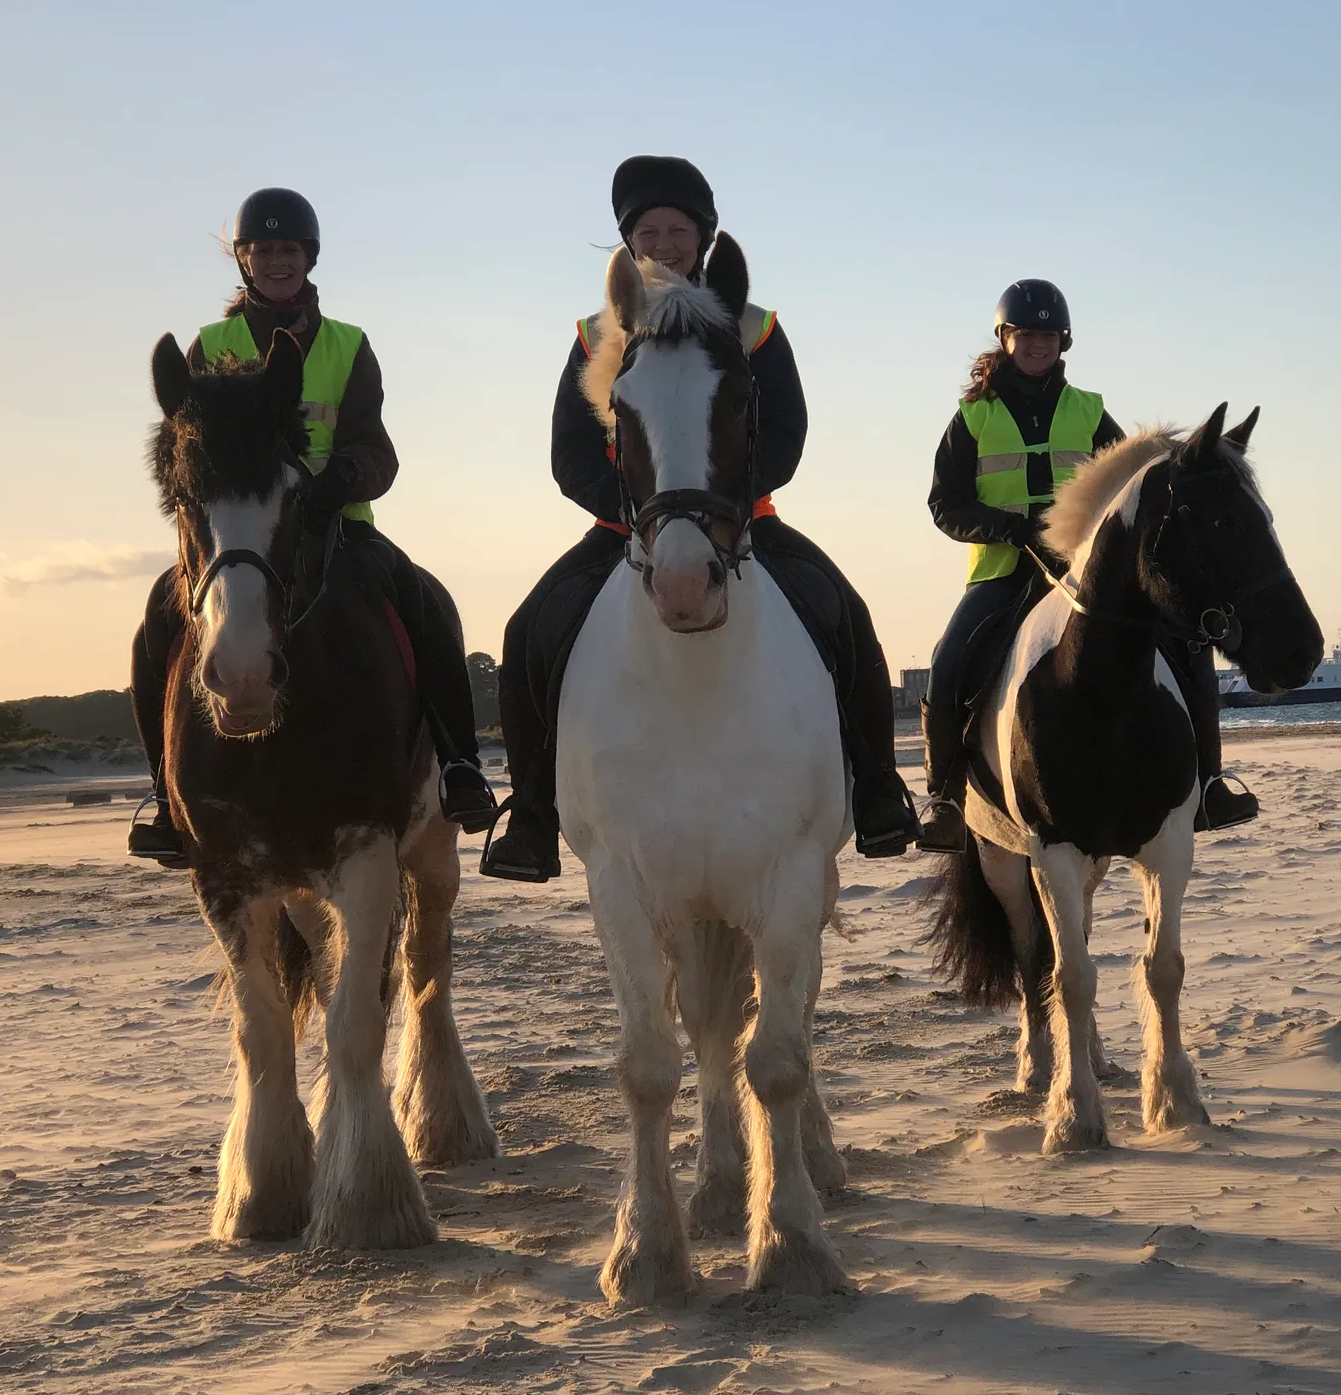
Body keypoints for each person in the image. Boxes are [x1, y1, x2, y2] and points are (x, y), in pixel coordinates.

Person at [479, 155, 920, 882]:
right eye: (646, 230)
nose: (663, 243)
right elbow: (570, 453)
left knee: (845, 610)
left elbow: (783, 435)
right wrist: (641, 515)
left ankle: (877, 789)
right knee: (530, 626)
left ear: (704, 236)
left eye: (677, 230)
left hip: (741, 522)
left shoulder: (754, 327)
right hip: (626, 529)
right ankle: (530, 814)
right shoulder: (597, 334)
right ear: (628, 243)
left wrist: (720, 511)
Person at [126, 187, 496, 865]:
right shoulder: (209, 347)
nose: (275, 261)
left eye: (287, 250)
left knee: (423, 603)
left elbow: (374, 446)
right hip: (241, 532)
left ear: (308, 258)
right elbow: (187, 450)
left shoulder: (349, 345)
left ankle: (461, 765)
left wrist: (338, 484)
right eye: (261, 250)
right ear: (242, 260)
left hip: (337, 523)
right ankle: (164, 793)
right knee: (156, 621)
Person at [914, 279, 1259, 854]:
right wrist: (1010, 527)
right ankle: (945, 800)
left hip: (1085, 572)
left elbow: (1136, 488)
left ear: (1063, 341)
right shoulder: (972, 418)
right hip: (1005, 572)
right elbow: (943, 505)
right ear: (1005, 339)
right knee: (949, 662)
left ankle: (1209, 784)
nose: (1037, 345)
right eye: (1026, 335)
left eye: (1047, 335)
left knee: (1190, 648)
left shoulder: (1090, 411)